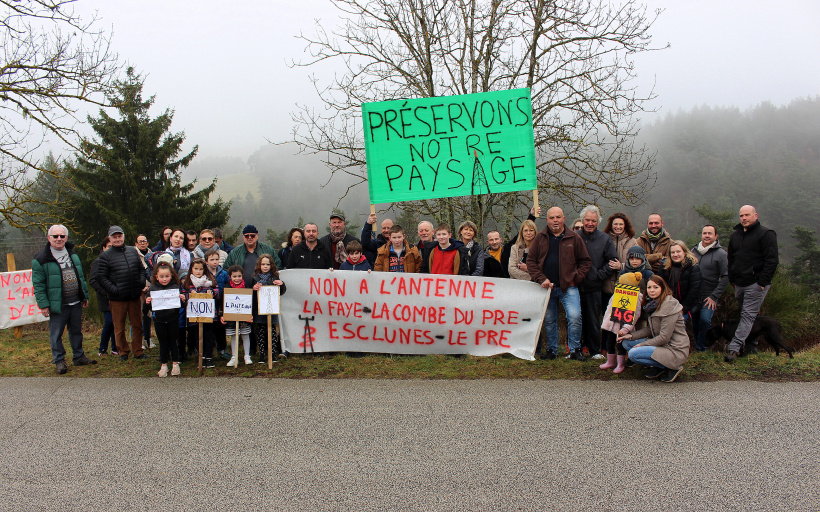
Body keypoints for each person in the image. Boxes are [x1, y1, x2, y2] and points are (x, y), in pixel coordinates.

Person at [526, 207, 591, 361]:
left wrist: (576, 278)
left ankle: (575, 349)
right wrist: (541, 279)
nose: (555, 220)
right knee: (549, 320)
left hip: (569, 287)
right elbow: (531, 262)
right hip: (546, 288)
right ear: (547, 219)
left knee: (575, 317)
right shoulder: (540, 238)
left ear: (563, 218)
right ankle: (552, 350)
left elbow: (585, 261)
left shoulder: (574, 237)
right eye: (551, 217)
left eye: (558, 217)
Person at [32, 224, 95, 374]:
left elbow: (80, 277)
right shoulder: (41, 259)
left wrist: (84, 295)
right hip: (58, 304)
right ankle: (59, 361)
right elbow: (38, 285)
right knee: (56, 334)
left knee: (76, 331)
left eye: (62, 236)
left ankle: (79, 356)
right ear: (49, 238)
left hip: (75, 301)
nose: (59, 239)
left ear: (66, 238)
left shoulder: (72, 254)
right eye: (55, 236)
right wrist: (44, 305)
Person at [725, 205, 778, 362]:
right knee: (749, 316)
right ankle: (751, 346)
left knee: (747, 316)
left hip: (755, 283)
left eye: (747, 215)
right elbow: (731, 259)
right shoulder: (735, 235)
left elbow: (772, 260)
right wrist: (732, 279)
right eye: (741, 215)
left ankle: (733, 349)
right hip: (739, 283)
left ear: (755, 216)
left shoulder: (766, 234)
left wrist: (762, 282)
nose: (744, 218)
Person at [619, 275, 690, 383]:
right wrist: (632, 336)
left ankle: (672, 367)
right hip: (662, 345)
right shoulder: (652, 304)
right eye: (649, 287)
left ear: (662, 288)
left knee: (634, 353)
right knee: (627, 343)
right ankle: (660, 366)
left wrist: (641, 345)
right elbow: (650, 329)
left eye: (655, 287)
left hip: (674, 349)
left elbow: (664, 337)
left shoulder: (669, 305)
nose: (652, 290)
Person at [95, 225, 149, 361]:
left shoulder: (132, 251)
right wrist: (114, 290)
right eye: (114, 237)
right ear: (110, 238)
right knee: (119, 327)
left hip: (134, 295)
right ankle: (123, 351)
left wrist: (141, 282)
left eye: (119, 236)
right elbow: (101, 277)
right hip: (117, 298)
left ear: (123, 236)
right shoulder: (106, 256)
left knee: (137, 324)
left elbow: (141, 269)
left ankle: (138, 350)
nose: (117, 239)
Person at [577, 205, 618, 359]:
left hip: (594, 287)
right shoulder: (574, 236)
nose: (590, 223)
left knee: (593, 320)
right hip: (575, 286)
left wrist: (598, 275)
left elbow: (613, 261)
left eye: (593, 221)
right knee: (576, 319)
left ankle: (595, 351)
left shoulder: (605, 239)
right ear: (582, 220)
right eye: (587, 220)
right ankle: (577, 349)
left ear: (598, 222)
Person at [692, 224, 729, 352]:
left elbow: (726, 277)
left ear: (715, 236)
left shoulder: (721, 254)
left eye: (710, 233)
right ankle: (698, 345)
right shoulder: (693, 251)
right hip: (695, 295)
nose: (707, 236)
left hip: (710, 295)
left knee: (705, 320)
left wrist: (714, 296)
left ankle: (702, 347)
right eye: (704, 233)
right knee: (695, 321)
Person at [146, 262, 185, 377]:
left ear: (171, 276)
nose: (164, 279)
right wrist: (147, 303)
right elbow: (147, 309)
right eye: (161, 276)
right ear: (156, 277)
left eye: (167, 276)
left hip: (173, 319)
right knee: (163, 343)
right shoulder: (153, 288)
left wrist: (183, 300)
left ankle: (175, 364)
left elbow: (182, 306)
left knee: (173, 342)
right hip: (159, 320)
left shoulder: (175, 287)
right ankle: (164, 365)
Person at [183, 258, 220, 368]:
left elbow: (218, 292)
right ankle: (201, 356)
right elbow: (182, 296)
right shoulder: (188, 283)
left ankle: (209, 357)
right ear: (191, 270)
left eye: (200, 269)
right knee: (197, 336)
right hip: (194, 317)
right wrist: (188, 295)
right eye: (196, 269)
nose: (198, 271)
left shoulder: (209, 281)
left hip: (208, 316)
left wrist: (212, 292)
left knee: (208, 336)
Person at [251, 254, 287, 363]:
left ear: (271, 265)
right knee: (261, 332)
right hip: (259, 310)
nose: (265, 266)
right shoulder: (255, 278)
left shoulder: (275, 277)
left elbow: (281, 292)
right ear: (259, 265)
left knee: (272, 332)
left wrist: (282, 284)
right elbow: (251, 295)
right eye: (263, 264)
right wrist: (253, 288)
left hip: (272, 310)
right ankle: (262, 354)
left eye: (268, 264)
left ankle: (273, 354)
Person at [656, 241, 702, 325]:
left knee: (678, 327)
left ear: (684, 252)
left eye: (678, 251)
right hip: (667, 304)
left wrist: (683, 309)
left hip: (685, 305)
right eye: (673, 252)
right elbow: (659, 285)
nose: (675, 254)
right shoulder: (664, 266)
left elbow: (694, 290)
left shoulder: (692, 267)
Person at [602, 212, 638, 311]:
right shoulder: (603, 240)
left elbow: (638, 264)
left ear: (625, 225)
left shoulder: (633, 242)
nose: (618, 226)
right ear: (611, 225)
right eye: (615, 224)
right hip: (606, 288)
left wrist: (621, 266)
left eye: (621, 224)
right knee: (607, 320)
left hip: (626, 289)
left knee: (623, 321)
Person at [222, 265, 253, 367]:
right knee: (234, 336)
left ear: (242, 276)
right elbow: (223, 303)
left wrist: (250, 314)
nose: (237, 279)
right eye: (234, 276)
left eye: (239, 276)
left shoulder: (247, 287)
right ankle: (234, 357)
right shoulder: (227, 287)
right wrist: (222, 314)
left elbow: (251, 302)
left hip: (244, 318)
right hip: (231, 318)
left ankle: (247, 356)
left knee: (245, 335)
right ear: (230, 276)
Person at [89, 237, 116, 356]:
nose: (111, 249)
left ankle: (115, 347)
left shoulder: (116, 259)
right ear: (104, 248)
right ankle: (102, 348)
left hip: (116, 295)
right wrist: (104, 292)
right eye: (109, 246)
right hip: (105, 297)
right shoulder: (98, 261)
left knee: (117, 322)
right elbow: (93, 281)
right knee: (109, 322)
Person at [205, 249, 231, 360]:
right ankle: (208, 352)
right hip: (208, 303)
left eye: (216, 259)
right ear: (206, 262)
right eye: (212, 260)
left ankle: (222, 350)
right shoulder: (204, 274)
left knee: (221, 328)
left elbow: (228, 285)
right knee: (209, 330)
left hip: (221, 303)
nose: (215, 262)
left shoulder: (223, 273)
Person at [135, 234, 153, 351]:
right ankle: (138, 341)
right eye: (140, 241)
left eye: (144, 241)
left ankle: (148, 338)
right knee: (138, 315)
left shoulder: (152, 254)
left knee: (149, 315)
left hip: (150, 288)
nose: (142, 243)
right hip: (139, 289)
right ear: (136, 244)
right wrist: (140, 286)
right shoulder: (133, 255)